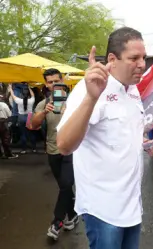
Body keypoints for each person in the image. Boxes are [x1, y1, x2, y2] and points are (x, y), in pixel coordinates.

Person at [56, 27, 153, 249]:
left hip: (132, 205)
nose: (142, 64)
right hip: (103, 209)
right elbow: (64, 145)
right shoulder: (88, 90)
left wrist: (145, 146)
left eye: (143, 57)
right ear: (112, 59)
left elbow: (119, 135)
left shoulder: (133, 90)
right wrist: (91, 98)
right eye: (134, 58)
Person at [30, 68, 78, 240]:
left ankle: (57, 222)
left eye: (56, 81)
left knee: (66, 185)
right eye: (50, 82)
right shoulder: (43, 104)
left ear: (62, 81)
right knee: (64, 187)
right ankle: (72, 215)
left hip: (72, 150)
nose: (53, 85)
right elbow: (33, 125)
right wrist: (44, 113)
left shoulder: (74, 101)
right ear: (46, 84)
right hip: (53, 150)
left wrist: (71, 113)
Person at [8, 84, 36, 154]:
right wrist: (29, 88)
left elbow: (13, 96)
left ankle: (24, 149)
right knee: (31, 133)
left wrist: (10, 88)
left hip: (21, 117)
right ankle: (34, 148)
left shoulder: (19, 100)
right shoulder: (31, 100)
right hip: (29, 116)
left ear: (21, 95)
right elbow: (33, 95)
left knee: (23, 133)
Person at [0, 94, 18, 159]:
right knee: (5, 139)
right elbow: (9, 114)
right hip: (3, 122)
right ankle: (8, 154)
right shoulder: (4, 105)